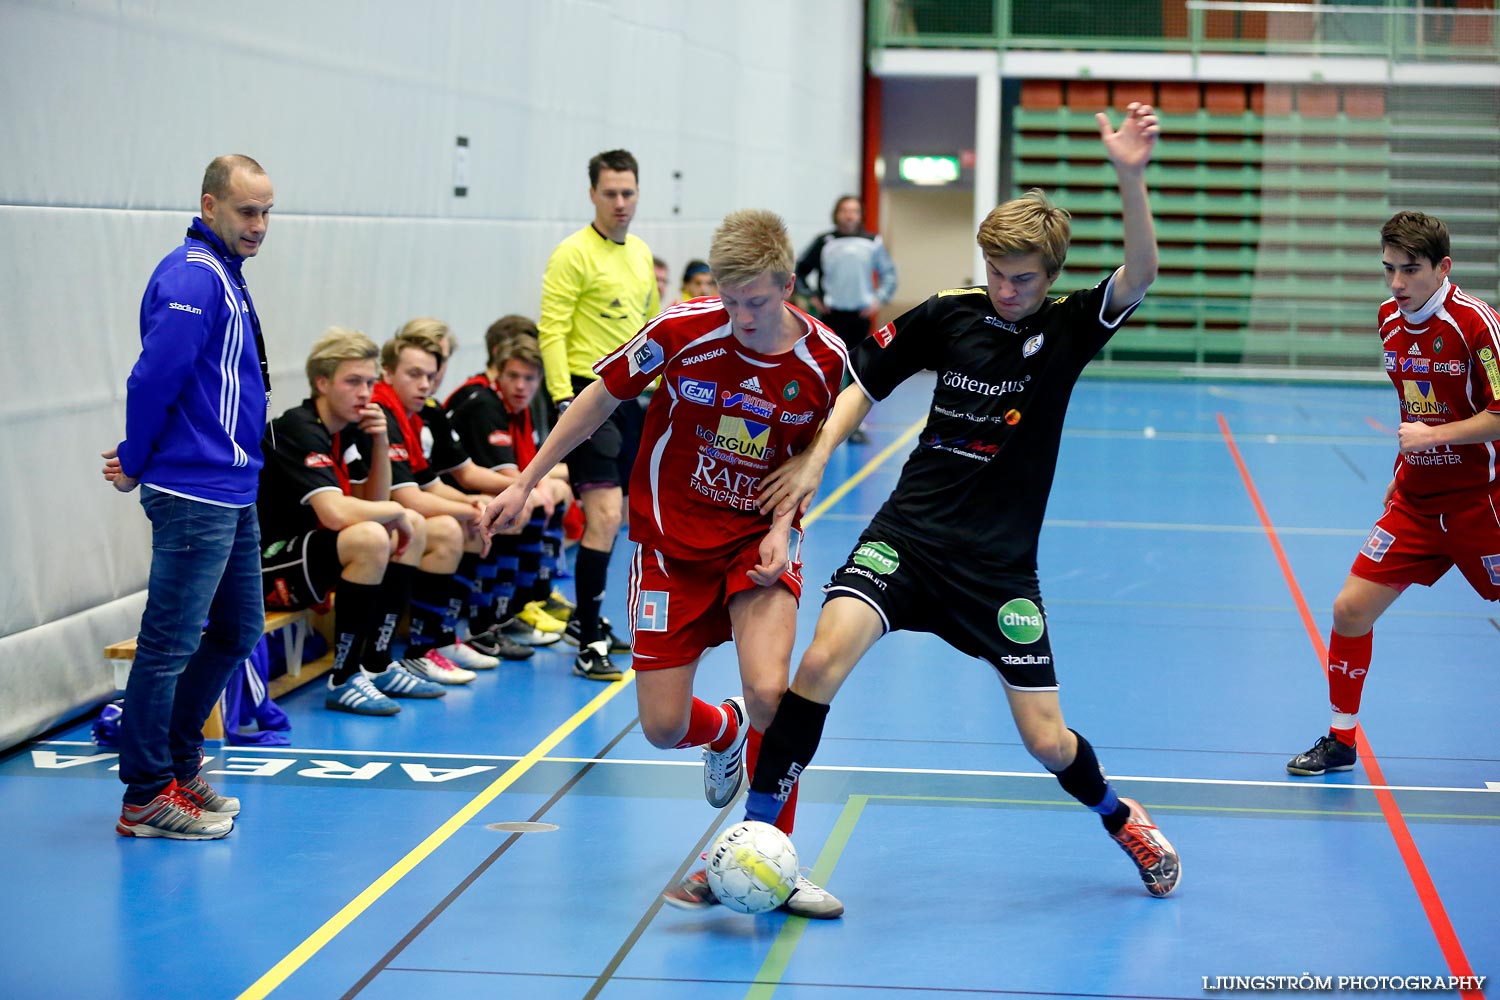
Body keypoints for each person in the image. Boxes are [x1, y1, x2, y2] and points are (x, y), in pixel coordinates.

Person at [742, 103, 1181, 906]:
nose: (1006, 289)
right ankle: (753, 843)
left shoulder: (1071, 326)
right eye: (995, 271)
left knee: (1046, 740)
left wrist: (1129, 175)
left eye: (1022, 279)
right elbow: (864, 385)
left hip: (997, 570)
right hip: (907, 537)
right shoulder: (951, 313)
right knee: (816, 666)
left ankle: (1121, 817)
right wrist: (813, 463)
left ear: (1049, 278)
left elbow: (1142, 272)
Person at [481, 209, 849, 917]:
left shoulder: (824, 359)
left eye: (758, 302)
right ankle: (725, 730)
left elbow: (828, 437)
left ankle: (773, 858)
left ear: (788, 286)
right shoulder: (681, 329)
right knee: (660, 726)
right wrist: (527, 480)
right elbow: (598, 401)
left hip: (756, 543)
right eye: (732, 299)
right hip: (670, 547)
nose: (742, 316)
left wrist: (785, 519)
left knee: (774, 694)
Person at [1286, 211, 1500, 776]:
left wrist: (1435, 437)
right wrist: (1405, 460)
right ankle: (1341, 739)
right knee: (1350, 610)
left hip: (1483, 503)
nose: (1397, 284)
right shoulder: (1388, 320)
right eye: (1389, 269)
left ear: (1442, 267)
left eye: (1410, 270)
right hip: (1416, 502)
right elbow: (1414, 406)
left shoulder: (1476, 326)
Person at [101, 154, 274, 839]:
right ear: (209, 207)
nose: (259, 226)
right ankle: (145, 793)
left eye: (266, 212)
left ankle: (177, 761)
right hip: (194, 491)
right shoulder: (194, 277)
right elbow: (152, 380)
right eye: (246, 212)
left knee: (237, 630)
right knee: (168, 644)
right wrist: (138, 460)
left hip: (234, 486)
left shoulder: (224, 276)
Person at [258, 328, 456, 716]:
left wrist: (380, 445)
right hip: (267, 564)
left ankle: (376, 662)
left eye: (369, 382)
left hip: (311, 554)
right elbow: (337, 513)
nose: (365, 393)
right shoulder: (298, 428)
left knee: (408, 526)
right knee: (372, 534)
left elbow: (372, 500)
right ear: (321, 382)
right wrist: (398, 512)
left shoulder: (346, 431)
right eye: (352, 382)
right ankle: (344, 676)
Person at [537, 149, 660, 679]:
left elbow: (654, 328)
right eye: (610, 193)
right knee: (604, 517)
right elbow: (552, 329)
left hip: (633, 402)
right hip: (588, 397)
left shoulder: (639, 254)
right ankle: (590, 640)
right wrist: (564, 399)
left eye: (628, 193)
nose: (620, 203)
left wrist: (667, 388)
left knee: (626, 520)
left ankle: (587, 618)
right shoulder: (572, 254)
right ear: (592, 194)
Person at [445, 316, 578, 649]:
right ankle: (495, 616)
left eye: (530, 378)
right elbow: (496, 476)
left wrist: (542, 484)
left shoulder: (521, 407)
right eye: (514, 377)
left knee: (551, 490)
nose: (521, 385)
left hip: (471, 488)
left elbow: (524, 467)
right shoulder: (484, 403)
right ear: (498, 370)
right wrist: (535, 488)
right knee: (521, 506)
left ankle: (529, 599)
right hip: (457, 494)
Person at [793, 195, 898, 443]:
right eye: (844, 210)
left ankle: (851, 425)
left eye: (854, 211)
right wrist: (812, 297)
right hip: (830, 315)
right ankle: (818, 420)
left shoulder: (872, 242)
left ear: (860, 215)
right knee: (827, 366)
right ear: (836, 214)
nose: (849, 215)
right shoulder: (824, 242)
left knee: (854, 369)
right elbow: (799, 271)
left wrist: (878, 299)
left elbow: (889, 275)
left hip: (859, 316)